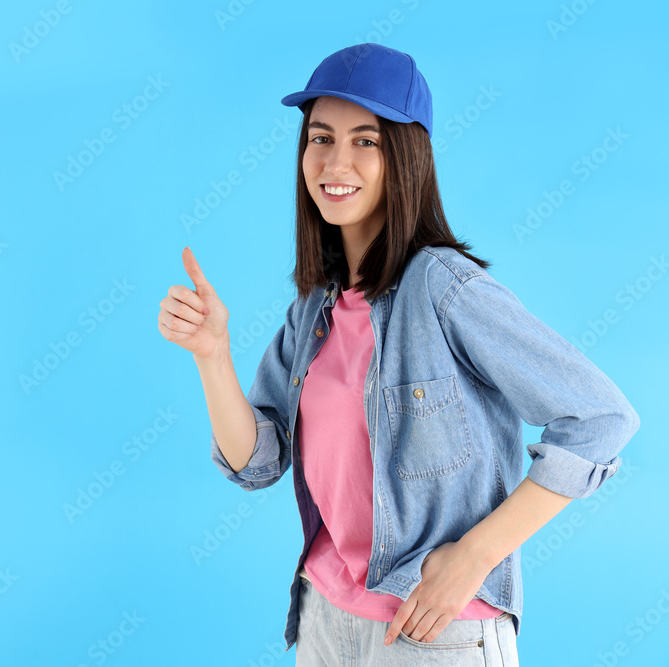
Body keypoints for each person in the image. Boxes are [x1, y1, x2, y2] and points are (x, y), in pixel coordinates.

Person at [157, 43, 641, 666]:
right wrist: (212, 355)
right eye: (320, 137)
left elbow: (601, 419)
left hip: (432, 632)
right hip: (325, 619)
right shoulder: (314, 309)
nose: (335, 161)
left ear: (406, 157)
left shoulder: (443, 287)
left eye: (366, 141)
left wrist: (474, 557)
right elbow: (258, 462)